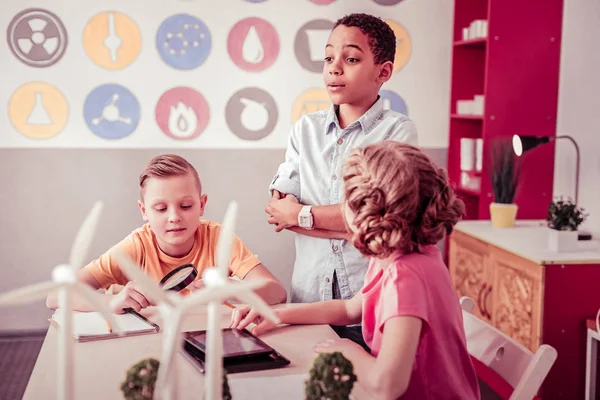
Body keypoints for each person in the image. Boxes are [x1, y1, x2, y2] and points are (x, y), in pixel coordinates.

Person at [234, 142, 480, 400]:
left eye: (346, 202)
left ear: (369, 214)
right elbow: (350, 309)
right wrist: (276, 314)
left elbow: (386, 386)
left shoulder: (405, 278)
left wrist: (349, 351)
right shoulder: (400, 254)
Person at [266, 13, 418, 348]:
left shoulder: (397, 131)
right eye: (329, 58)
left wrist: (302, 215)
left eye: (350, 59)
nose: (334, 68)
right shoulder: (305, 130)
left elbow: (382, 221)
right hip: (308, 300)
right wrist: (349, 225)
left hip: (370, 302)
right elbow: (279, 212)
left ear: (383, 72)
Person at [46, 154, 287, 313]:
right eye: (160, 208)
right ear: (144, 211)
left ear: (202, 205)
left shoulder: (219, 239)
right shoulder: (135, 247)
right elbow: (55, 296)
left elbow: (277, 293)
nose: (174, 217)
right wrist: (112, 302)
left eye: (185, 206)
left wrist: (233, 288)